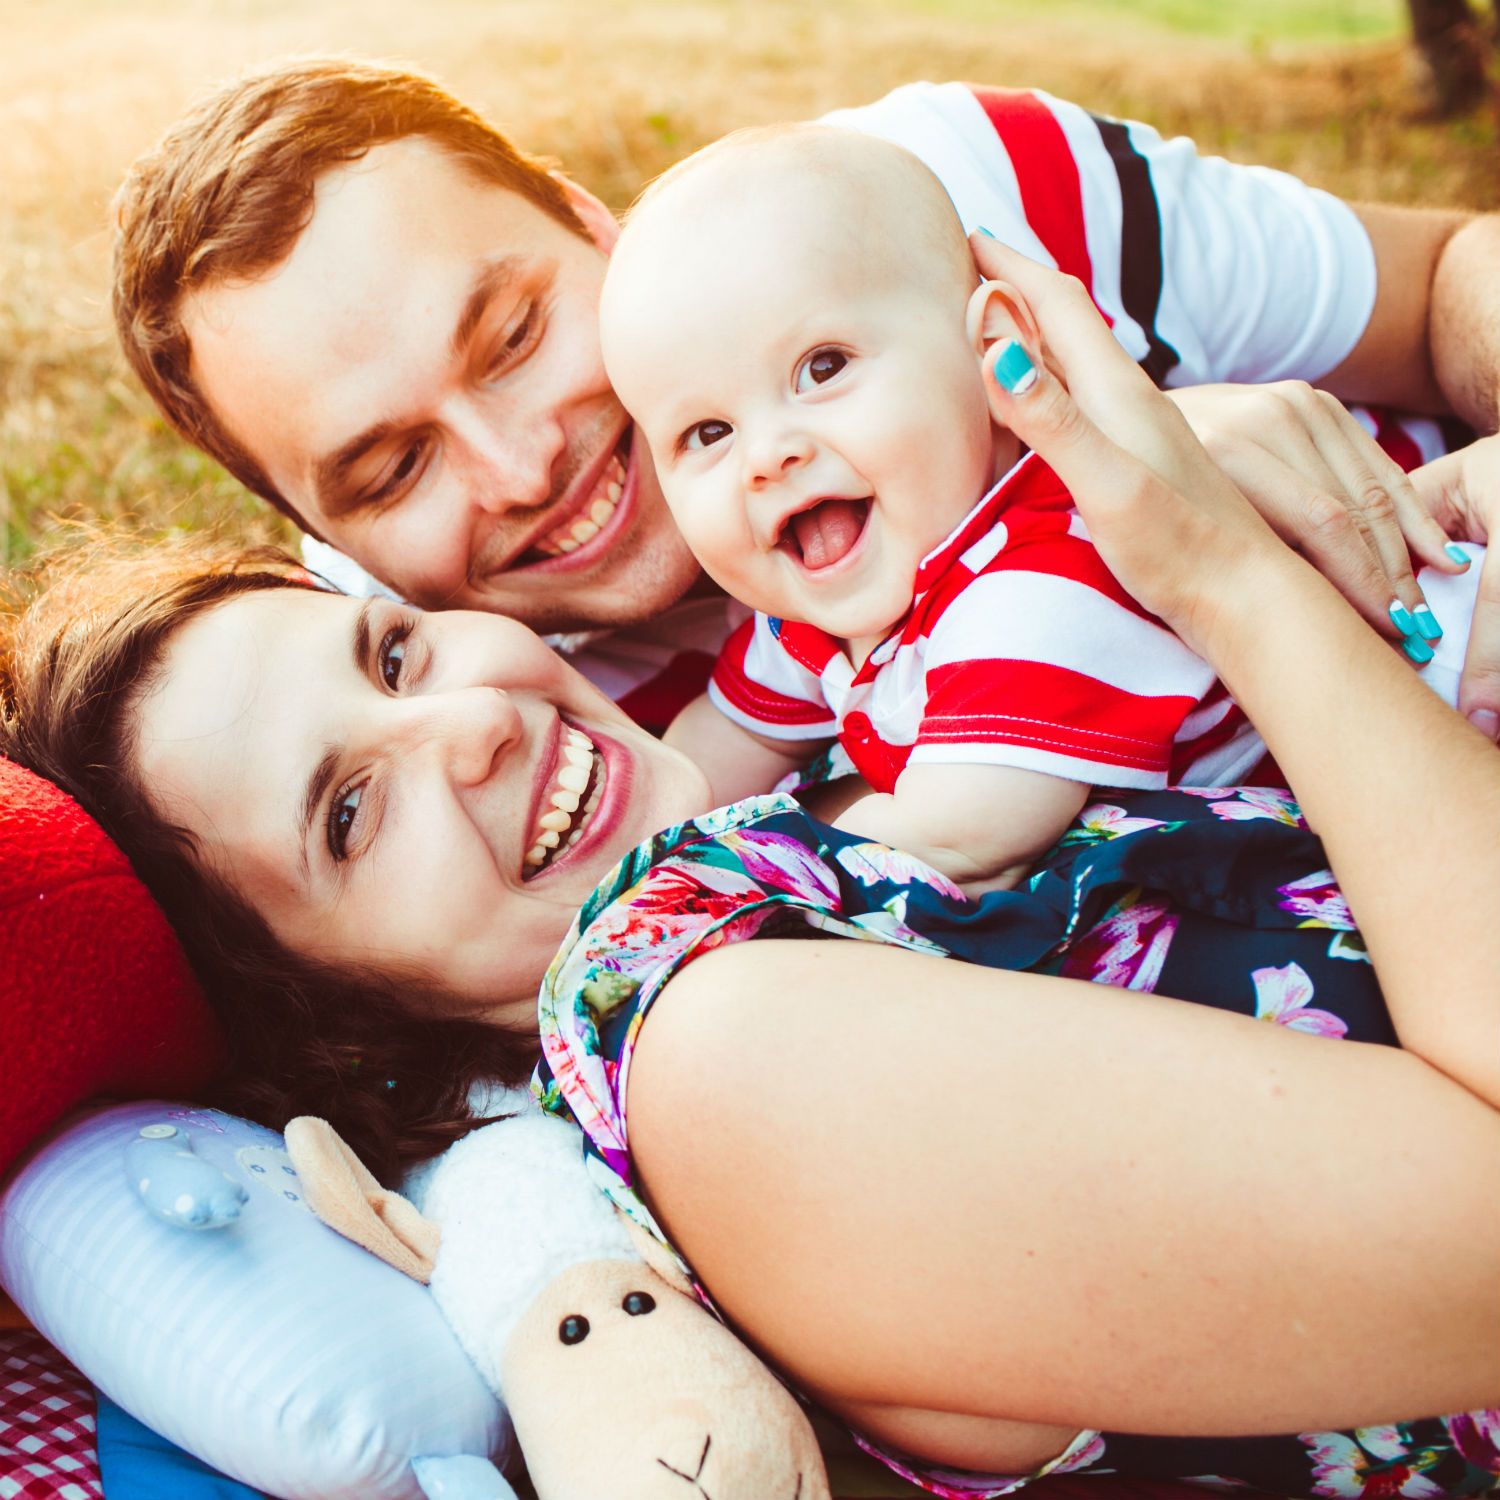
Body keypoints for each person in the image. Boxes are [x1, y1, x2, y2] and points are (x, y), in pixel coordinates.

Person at [5, 248, 1498, 1499]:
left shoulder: (796, 837)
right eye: (347, 818)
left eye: (394, 653)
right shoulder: (722, 1067)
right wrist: (1220, 573)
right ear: (342, 1019)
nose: (466, 723)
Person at [109, 57, 1500, 743]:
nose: (519, 465)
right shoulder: (450, 724)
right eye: (388, 468)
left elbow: (1448, 287)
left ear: (600, 227)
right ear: (328, 547)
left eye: (515, 331)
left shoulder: (950, 198)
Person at [601, 124, 1484, 889]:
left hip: (1451, 692)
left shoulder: (1044, 574)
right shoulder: (806, 617)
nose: (766, 455)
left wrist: (706, 885)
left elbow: (965, 836)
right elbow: (707, 758)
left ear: (994, 346)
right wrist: (626, 864)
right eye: (707, 432)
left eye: (822, 368)